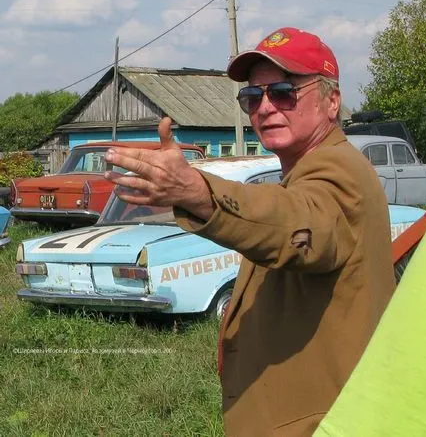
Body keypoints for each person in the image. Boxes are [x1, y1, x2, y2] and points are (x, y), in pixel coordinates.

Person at [104, 27, 396, 436]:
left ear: (332, 102)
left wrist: (199, 193)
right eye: (251, 97)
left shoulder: (339, 172)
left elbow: (296, 223)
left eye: (283, 91)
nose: (264, 107)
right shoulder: (305, 172)